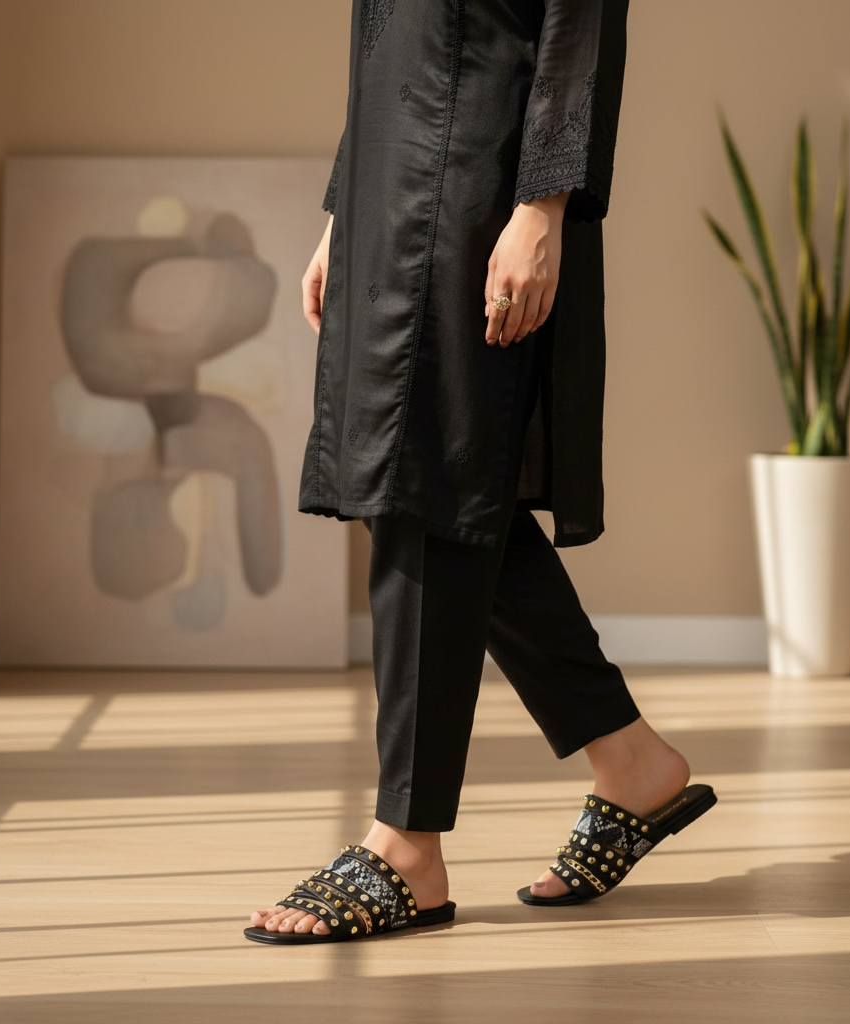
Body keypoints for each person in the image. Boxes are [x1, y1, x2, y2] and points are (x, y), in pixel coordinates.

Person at [245, 0, 715, 945]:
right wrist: (345, 207)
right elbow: (387, 35)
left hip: (479, 185)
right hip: (390, 185)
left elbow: (580, 18)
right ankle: (632, 762)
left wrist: (543, 206)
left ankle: (406, 845)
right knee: (437, 485)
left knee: (430, 477)